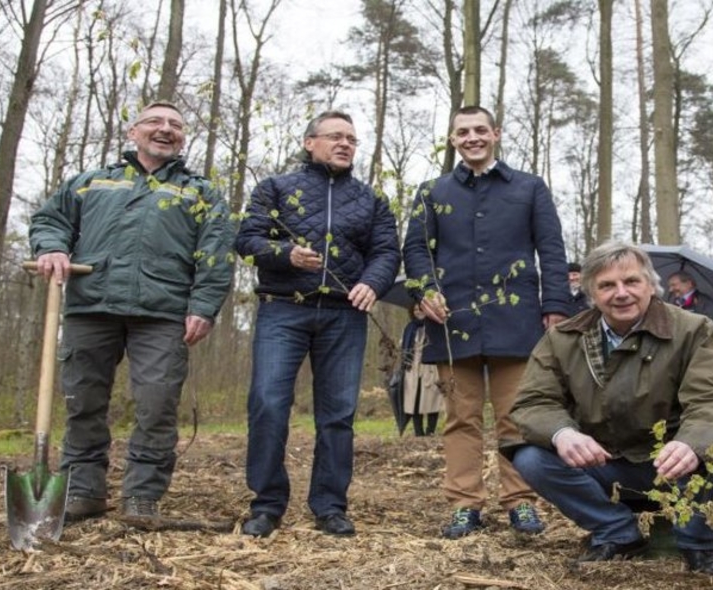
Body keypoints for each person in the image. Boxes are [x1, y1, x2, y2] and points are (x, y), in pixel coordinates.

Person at [28, 101, 234, 521]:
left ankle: (142, 496)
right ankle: (82, 492)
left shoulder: (200, 192)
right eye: (154, 122)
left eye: (175, 124)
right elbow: (51, 220)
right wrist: (51, 246)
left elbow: (215, 255)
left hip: (163, 313)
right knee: (83, 402)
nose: (165, 129)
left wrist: (204, 308)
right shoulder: (92, 182)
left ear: (182, 137)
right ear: (132, 132)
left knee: (156, 405)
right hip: (91, 305)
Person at [505, 240, 713, 576]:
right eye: (607, 285)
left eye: (631, 281)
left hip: (677, 465)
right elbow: (533, 401)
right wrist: (562, 434)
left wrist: (692, 443)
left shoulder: (693, 329)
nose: (621, 293)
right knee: (531, 457)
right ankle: (617, 533)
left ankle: (698, 544)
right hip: (606, 464)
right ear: (591, 292)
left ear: (650, 284)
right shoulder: (563, 338)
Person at [402, 105, 569, 539]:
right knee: (461, 418)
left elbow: (551, 250)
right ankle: (465, 504)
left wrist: (555, 306)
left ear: (495, 133)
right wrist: (425, 290)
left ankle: (521, 502)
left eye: (480, 129)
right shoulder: (432, 192)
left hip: (517, 322)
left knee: (518, 417)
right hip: (452, 323)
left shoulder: (529, 188)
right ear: (453, 139)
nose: (472, 137)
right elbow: (416, 251)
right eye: (463, 131)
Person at [235, 110, 399, 538]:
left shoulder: (370, 199)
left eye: (352, 139)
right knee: (269, 404)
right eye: (335, 137)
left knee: (338, 415)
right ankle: (267, 505)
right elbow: (247, 239)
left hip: (344, 314)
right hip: (283, 308)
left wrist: (372, 283)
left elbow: (386, 251)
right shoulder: (275, 189)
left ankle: (330, 505)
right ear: (310, 142)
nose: (345, 144)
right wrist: (283, 254)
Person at [396, 306, 443, 436]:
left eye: (421, 309)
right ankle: (418, 431)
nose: (418, 311)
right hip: (412, 368)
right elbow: (402, 345)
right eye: (415, 309)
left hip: (431, 367)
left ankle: (431, 430)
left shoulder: (435, 326)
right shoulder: (409, 328)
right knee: (414, 400)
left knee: (432, 399)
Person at [666, 271, 713, 361]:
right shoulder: (672, 304)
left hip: (706, 355)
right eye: (670, 286)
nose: (670, 289)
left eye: (674, 285)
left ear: (689, 284)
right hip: (679, 356)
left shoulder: (705, 302)